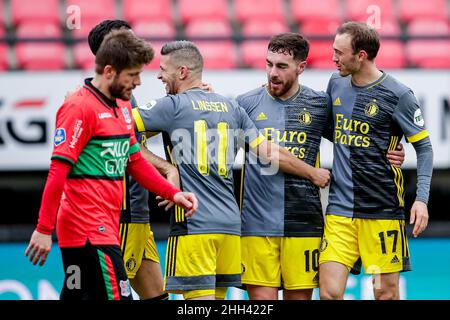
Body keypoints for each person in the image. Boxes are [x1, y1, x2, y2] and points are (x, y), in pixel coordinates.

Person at [132, 40, 331, 300]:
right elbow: (269, 151)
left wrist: (167, 168)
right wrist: (312, 172)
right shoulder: (232, 107)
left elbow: (120, 127)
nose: (158, 75)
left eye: (163, 69)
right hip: (229, 226)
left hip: (194, 223)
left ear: (182, 72)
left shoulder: (172, 105)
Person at [24, 30, 198, 300]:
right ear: (109, 71)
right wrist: (44, 229)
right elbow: (58, 172)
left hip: (105, 226)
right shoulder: (78, 107)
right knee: (118, 296)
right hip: (87, 229)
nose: (139, 82)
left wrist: (172, 193)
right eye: (133, 75)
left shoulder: (122, 106)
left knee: (78, 295)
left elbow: (135, 161)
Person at [236, 33, 405, 300]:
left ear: (301, 67)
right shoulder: (245, 104)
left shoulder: (319, 104)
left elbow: (354, 137)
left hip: (305, 223)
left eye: (281, 66)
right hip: (257, 226)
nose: (272, 73)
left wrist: (391, 149)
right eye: (268, 64)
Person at [318, 22, 433, 300]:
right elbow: (334, 131)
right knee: (329, 292)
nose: (333, 58)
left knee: (385, 292)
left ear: (361, 55)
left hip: (382, 210)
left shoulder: (399, 95)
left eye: (339, 52)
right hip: (339, 210)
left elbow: (425, 148)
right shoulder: (335, 82)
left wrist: (422, 199)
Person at [87, 19, 178, 300]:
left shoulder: (125, 96)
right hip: (120, 217)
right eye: (128, 40)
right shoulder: (104, 99)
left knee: (156, 296)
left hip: (138, 216)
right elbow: (131, 153)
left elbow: (133, 139)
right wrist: (167, 170)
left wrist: (190, 97)